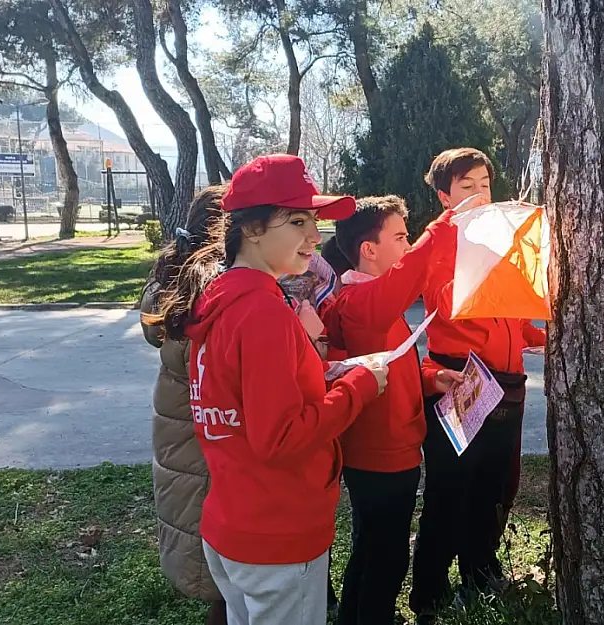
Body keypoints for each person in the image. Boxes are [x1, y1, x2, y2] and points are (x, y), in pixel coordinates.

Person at [185, 153, 389, 625]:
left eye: (314, 221)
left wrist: (323, 374)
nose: (315, 237)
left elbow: (242, 402)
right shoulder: (262, 312)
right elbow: (280, 437)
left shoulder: (222, 299)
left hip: (234, 524)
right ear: (252, 229)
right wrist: (360, 385)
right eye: (298, 221)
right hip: (276, 534)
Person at [409, 148, 547, 623]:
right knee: (450, 492)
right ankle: (428, 594)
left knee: (494, 488)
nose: (480, 194)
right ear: (445, 195)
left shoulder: (497, 240)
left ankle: (480, 573)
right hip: (460, 380)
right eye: (467, 186)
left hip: (507, 385)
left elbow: (507, 313)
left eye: (485, 184)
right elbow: (445, 308)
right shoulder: (437, 244)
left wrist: (537, 335)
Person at [321, 195, 463, 625]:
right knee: (386, 560)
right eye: (400, 236)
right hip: (380, 458)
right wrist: (444, 225)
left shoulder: (372, 302)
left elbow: (391, 362)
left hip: (392, 452)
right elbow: (409, 274)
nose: (407, 246)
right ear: (369, 250)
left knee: (372, 549)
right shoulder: (361, 303)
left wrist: (430, 379)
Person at [140, 185, 229, 625]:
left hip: (180, 430)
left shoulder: (175, 275)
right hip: (201, 439)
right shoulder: (212, 288)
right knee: (224, 578)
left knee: (216, 565)